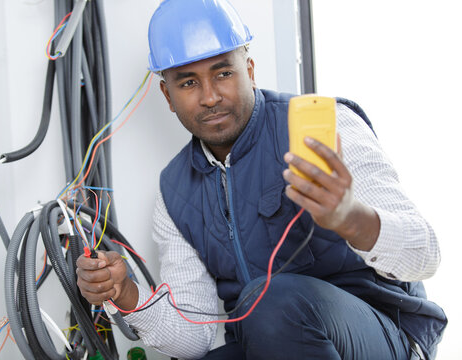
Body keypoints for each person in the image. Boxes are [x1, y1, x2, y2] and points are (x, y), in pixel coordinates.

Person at [76, 0, 447, 359]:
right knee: (259, 313)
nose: (209, 97)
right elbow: (194, 336)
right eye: (188, 83)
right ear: (167, 95)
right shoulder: (175, 191)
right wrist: (126, 293)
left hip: (382, 333)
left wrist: (352, 218)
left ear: (249, 70)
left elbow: (424, 254)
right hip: (271, 340)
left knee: (269, 302)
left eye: (223, 73)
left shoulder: (330, 127)